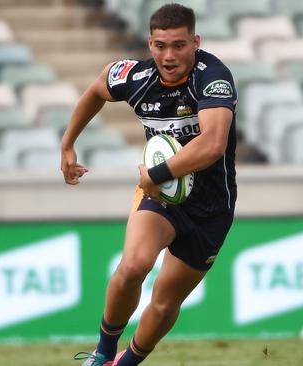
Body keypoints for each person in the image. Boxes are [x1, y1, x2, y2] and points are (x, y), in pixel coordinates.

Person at [60, 4, 238, 366]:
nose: (168, 56)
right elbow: (96, 89)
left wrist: (154, 175)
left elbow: (213, 143)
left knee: (164, 300)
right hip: (160, 197)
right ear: (149, 43)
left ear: (195, 42)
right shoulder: (135, 76)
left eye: (178, 45)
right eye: (160, 46)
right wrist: (67, 143)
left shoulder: (213, 76)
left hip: (210, 208)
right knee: (133, 266)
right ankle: (103, 354)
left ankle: (124, 365)